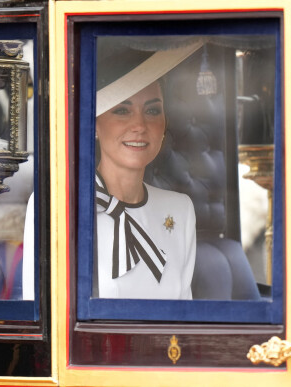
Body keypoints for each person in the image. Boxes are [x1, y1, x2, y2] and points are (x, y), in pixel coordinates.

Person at [94, 39, 201, 299]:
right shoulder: (60, 209)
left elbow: (183, 314)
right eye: (122, 110)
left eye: (152, 110)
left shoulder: (180, 210)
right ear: (94, 125)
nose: (140, 125)